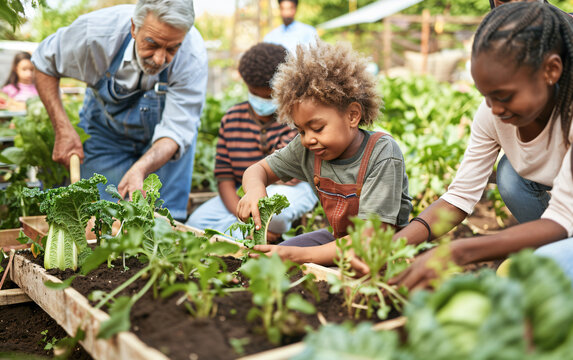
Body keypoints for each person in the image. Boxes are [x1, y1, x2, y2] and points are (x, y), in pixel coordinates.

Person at [381, 3, 573, 289]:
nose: (495, 109)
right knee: (510, 174)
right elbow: (460, 196)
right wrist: (395, 245)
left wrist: (459, 251)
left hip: (565, 216)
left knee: (537, 276)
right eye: (486, 96)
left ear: (551, 70)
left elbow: (562, 216)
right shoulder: (493, 114)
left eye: (504, 96)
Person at [236, 40, 412, 265]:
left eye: (317, 128)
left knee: (290, 256)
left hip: (382, 252)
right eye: (301, 130)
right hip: (339, 241)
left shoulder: (382, 153)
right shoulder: (307, 149)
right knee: (269, 258)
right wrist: (254, 189)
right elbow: (258, 169)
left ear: (352, 115)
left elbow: (371, 239)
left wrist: (300, 256)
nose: (308, 138)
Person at [31, 0, 208, 221]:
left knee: (164, 225)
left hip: (163, 147)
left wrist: (141, 168)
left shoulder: (193, 55)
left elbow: (176, 130)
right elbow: (43, 62)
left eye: (172, 48)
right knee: (102, 221)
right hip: (105, 136)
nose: (160, 59)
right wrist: (63, 128)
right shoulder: (96, 33)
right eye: (152, 44)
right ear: (134, 27)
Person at [186, 43, 317, 240]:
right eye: (255, 94)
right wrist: (240, 213)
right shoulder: (232, 119)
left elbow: (288, 177)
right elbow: (224, 178)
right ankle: (259, 233)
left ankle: (252, 233)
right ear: (247, 86)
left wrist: (254, 195)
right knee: (196, 224)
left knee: (274, 213)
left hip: (290, 189)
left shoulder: (295, 117)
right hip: (242, 194)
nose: (262, 102)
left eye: (270, 96)